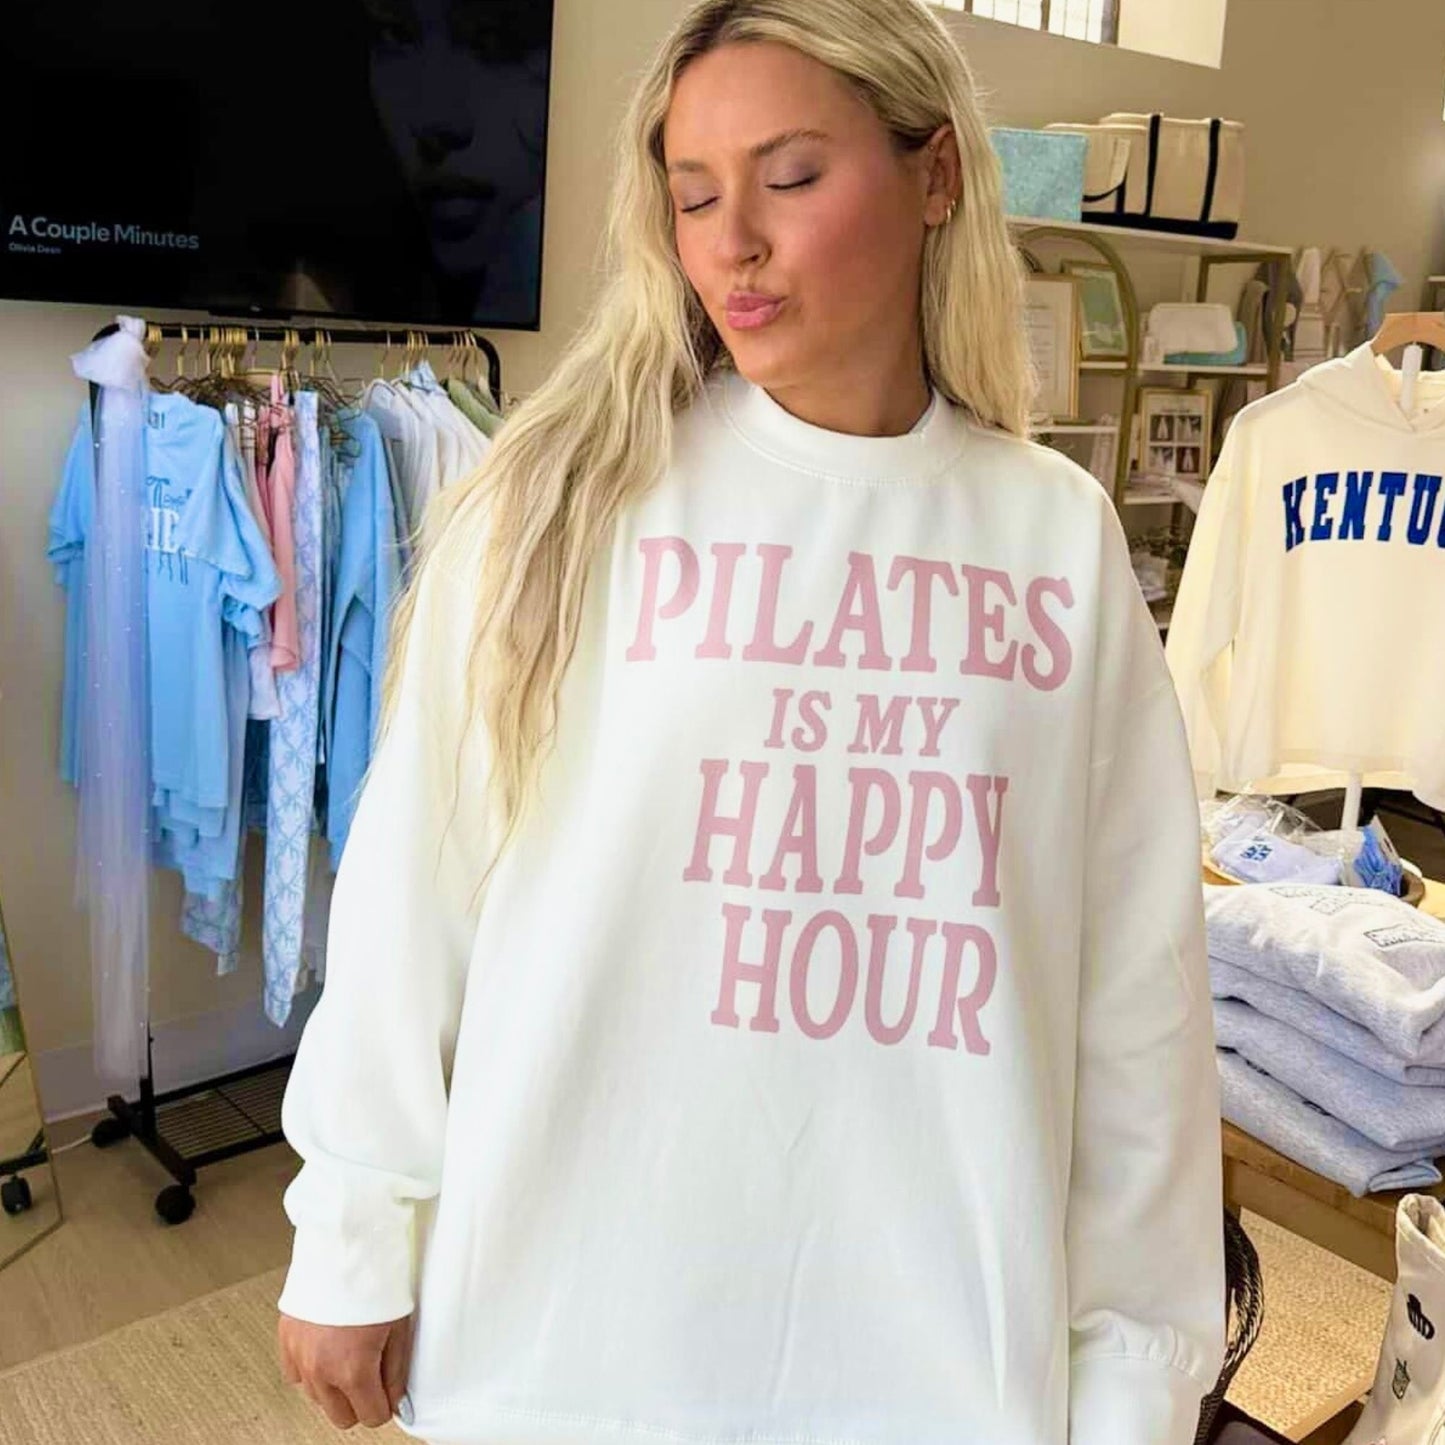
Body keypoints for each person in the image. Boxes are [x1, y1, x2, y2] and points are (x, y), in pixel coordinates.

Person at [276, 2, 1227, 1441]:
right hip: (569, 1324)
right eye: (693, 194)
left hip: (940, 1353)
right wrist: (352, 1228)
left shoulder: (1054, 537)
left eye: (788, 178)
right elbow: (414, 891)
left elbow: (1132, 998)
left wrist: (1142, 1372)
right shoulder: (561, 496)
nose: (731, 242)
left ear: (935, 175)